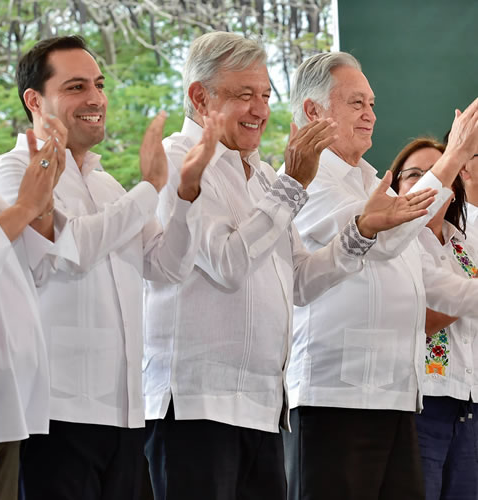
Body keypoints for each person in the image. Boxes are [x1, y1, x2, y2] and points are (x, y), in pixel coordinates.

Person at [142, 32, 440, 500]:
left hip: (261, 408)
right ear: (200, 97)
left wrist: (361, 230)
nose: (261, 110)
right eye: (245, 95)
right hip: (197, 404)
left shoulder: (262, 174)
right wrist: (293, 186)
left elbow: (300, 279)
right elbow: (226, 263)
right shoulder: (179, 158)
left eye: (264, 95)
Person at [0, 35, 223, 500]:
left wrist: (185, 193)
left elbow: (168, 266)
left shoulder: (110, 186)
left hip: (126, 415)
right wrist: (150, 187)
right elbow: (71, 246)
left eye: (98, 84)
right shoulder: (12, 172)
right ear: (35, 100)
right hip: (53, 415)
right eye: (75, 87)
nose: (95, 98)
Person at [282, 50, 478, 500]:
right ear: (313, 111)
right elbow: (383, 236)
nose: (370, 114)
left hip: (395, 399)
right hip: (335, 398)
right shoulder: (306, 180)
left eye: (371, 103)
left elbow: (436, 285)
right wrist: (453, 156)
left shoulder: (372, 182)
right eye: (356, 103)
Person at [0, 128, 78, 500]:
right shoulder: (0, 173)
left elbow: (34, 267)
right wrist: (24, 206)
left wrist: (43, 202)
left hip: (6, 406)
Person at [390, 137, 478, 500]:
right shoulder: (392, 244)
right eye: (415, 175)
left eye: (440, 174)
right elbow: (423, 319)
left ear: (454, 191)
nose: (430, 182)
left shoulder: (468, 244)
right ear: (395, 188)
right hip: (421, 405)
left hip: (470, 405)